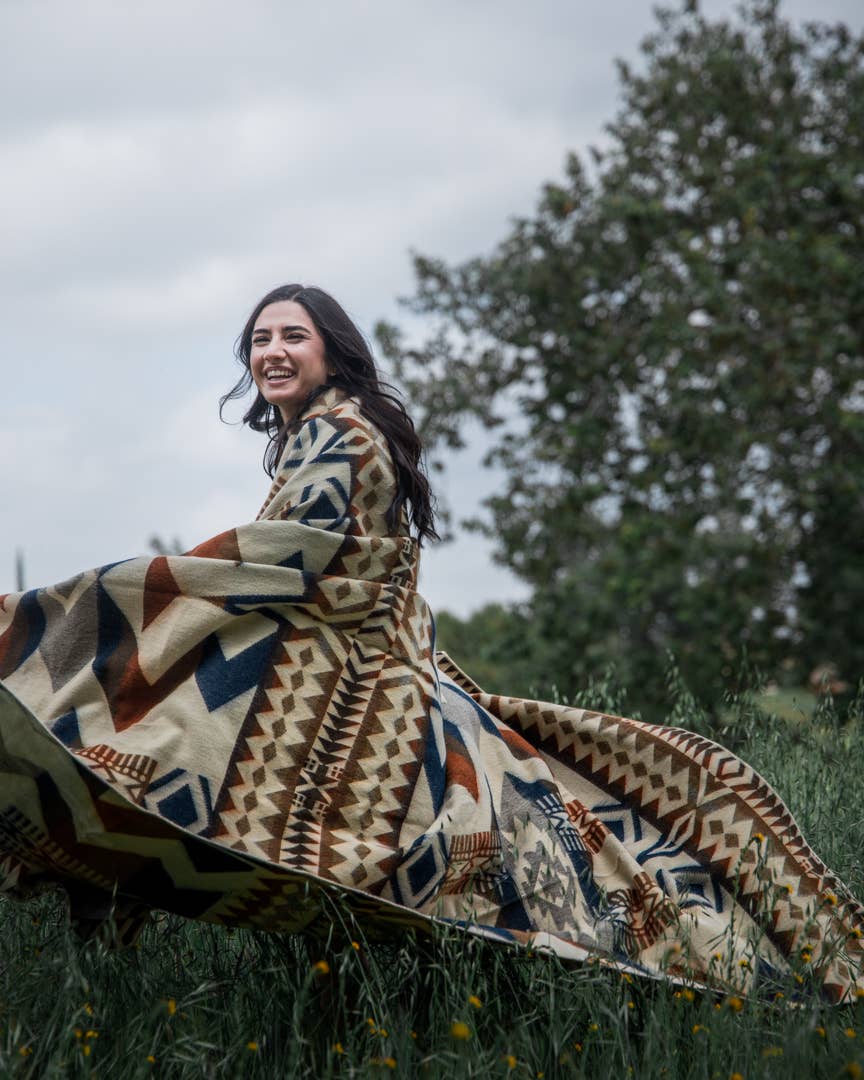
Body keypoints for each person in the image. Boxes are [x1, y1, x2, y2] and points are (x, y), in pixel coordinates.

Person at [0, 285, 861, 1002]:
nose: (271, 350)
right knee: (134, 742)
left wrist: (114, 593)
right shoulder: (316, 439)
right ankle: (99, 928)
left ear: (331, 352)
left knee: (129, 716)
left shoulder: (346, 437)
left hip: (344, 676)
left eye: (291, 335)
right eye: (258, 339)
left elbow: (288, 564)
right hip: (324, 658)